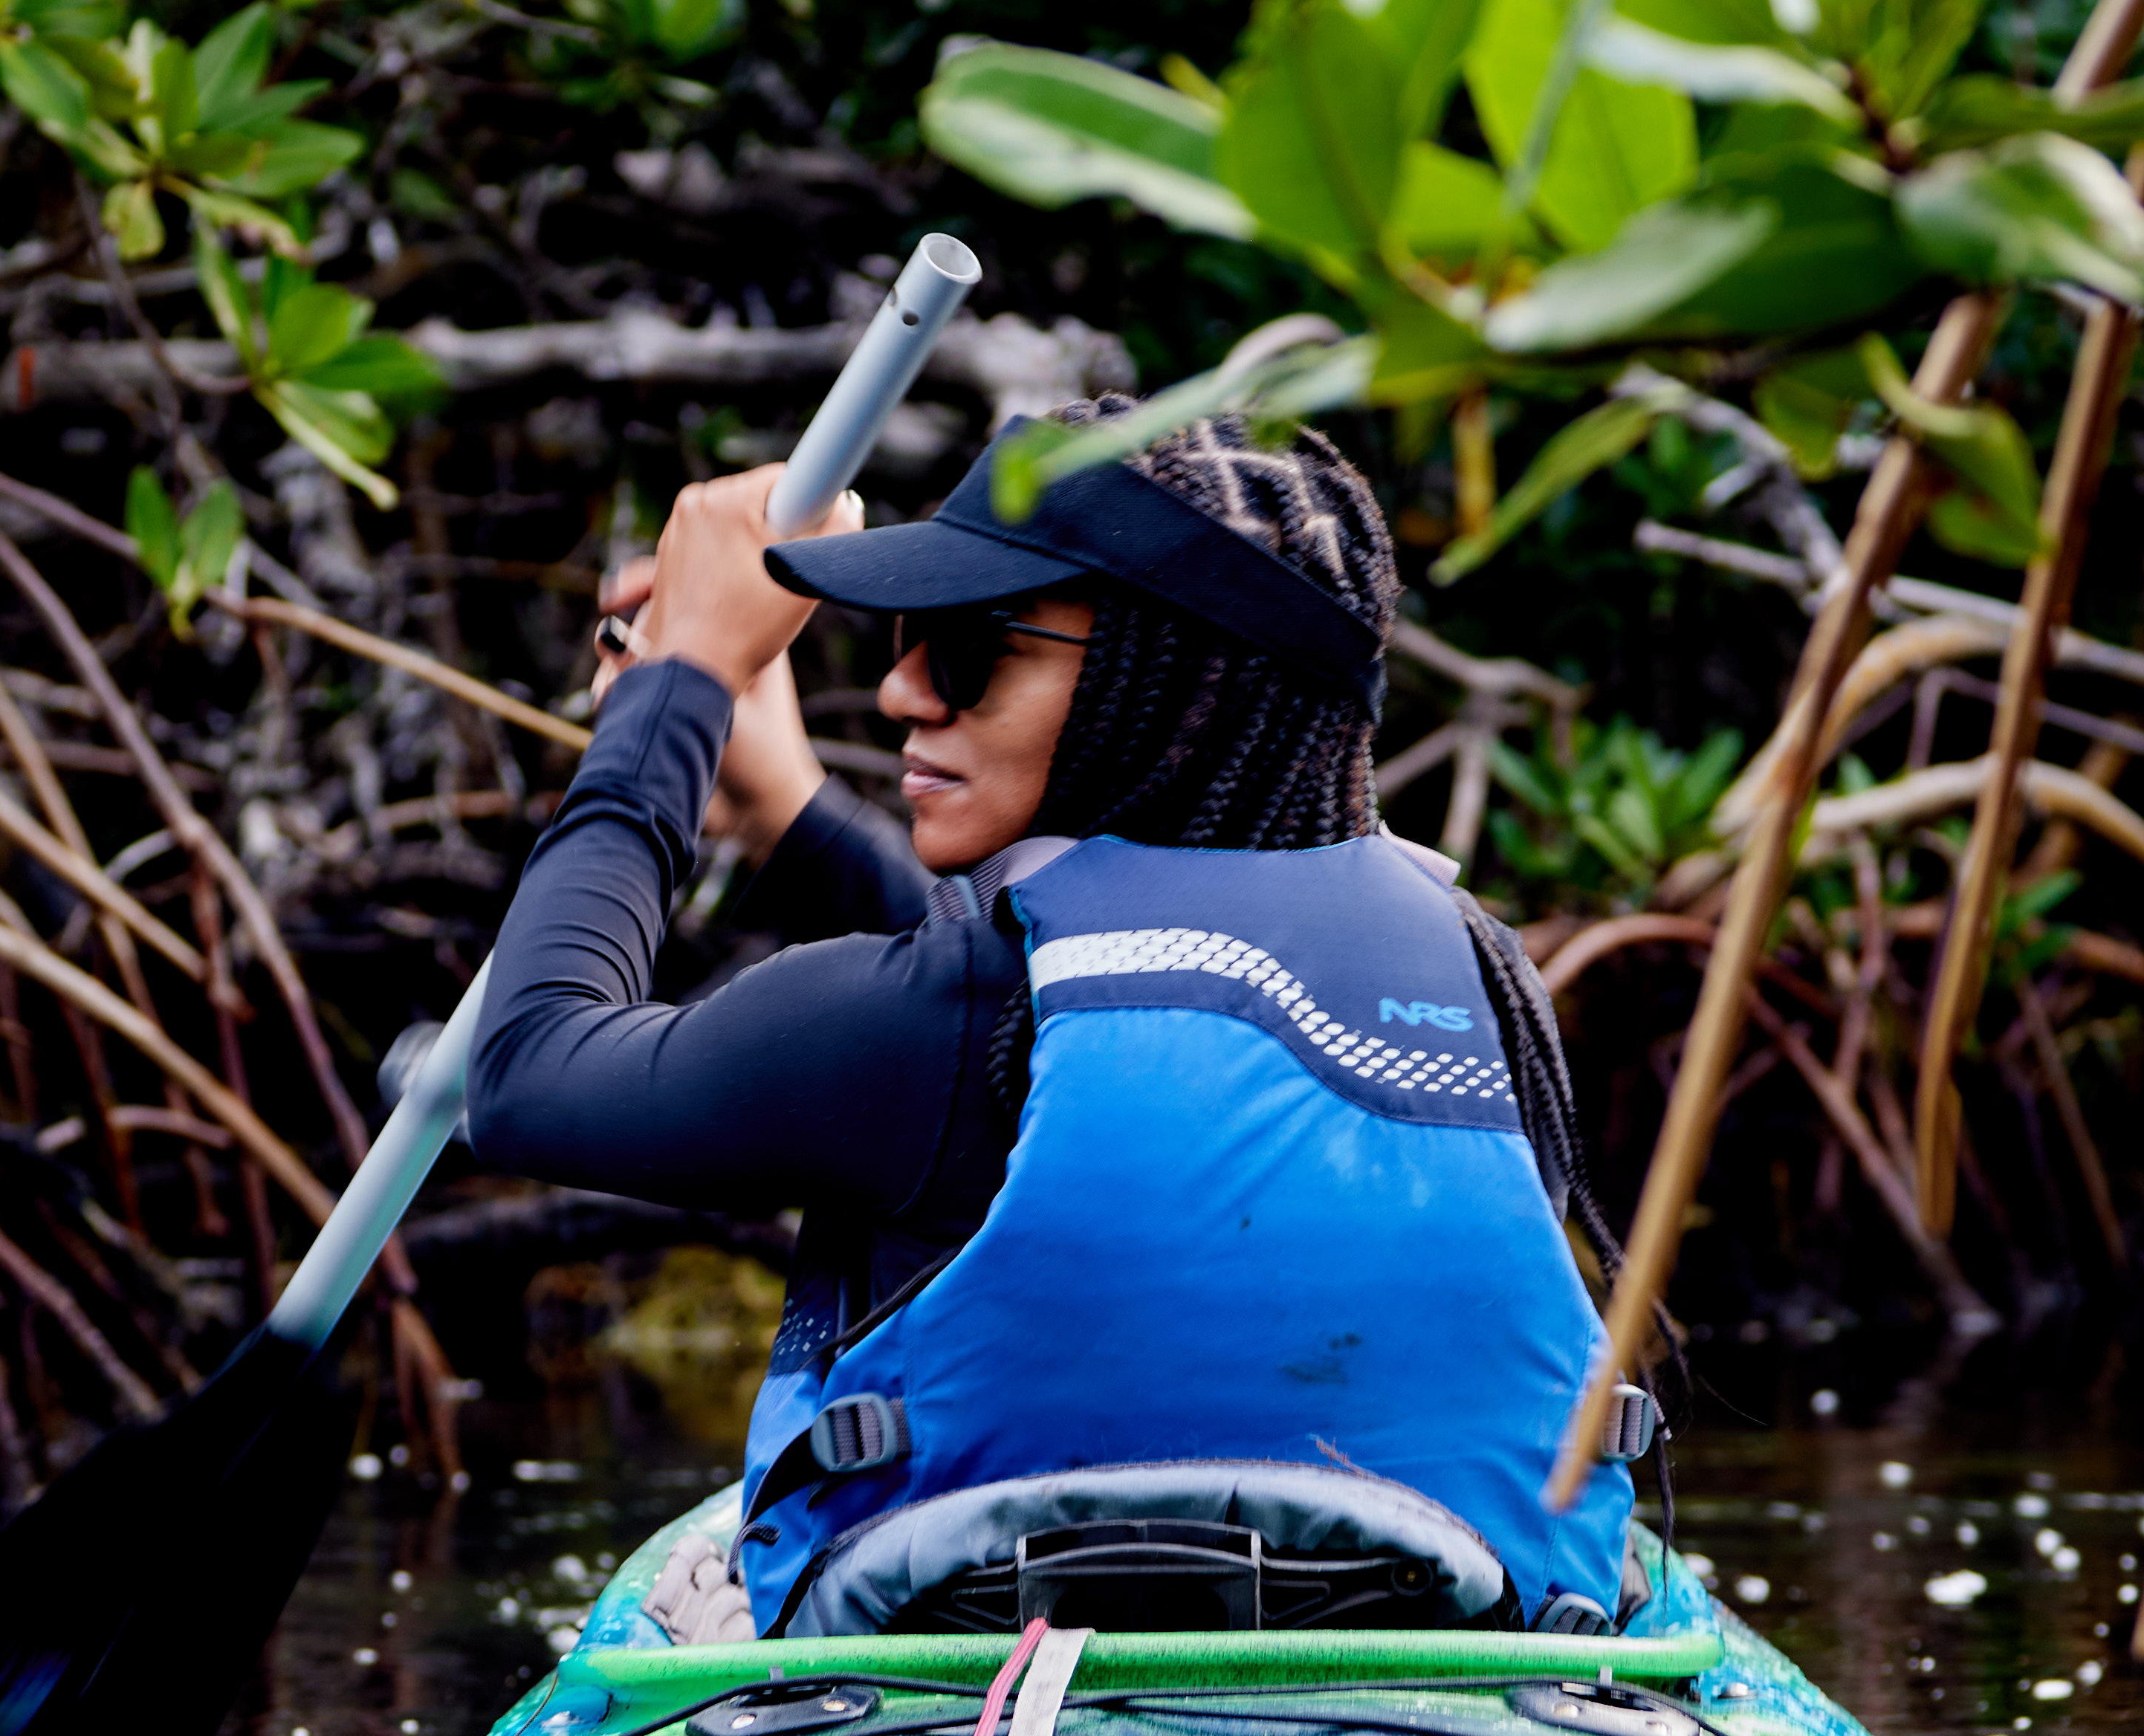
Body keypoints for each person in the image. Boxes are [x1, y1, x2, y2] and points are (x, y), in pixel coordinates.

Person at [469, 398, 1644, 1639]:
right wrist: (791, 813)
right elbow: (1026, 1028)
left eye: (973, 650)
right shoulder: (1481, 976)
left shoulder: (930, 1028)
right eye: (914, 635)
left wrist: (675, 697)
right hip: (1464, 1657)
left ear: (1174, 686)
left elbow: (527, 1064)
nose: (900, 692)